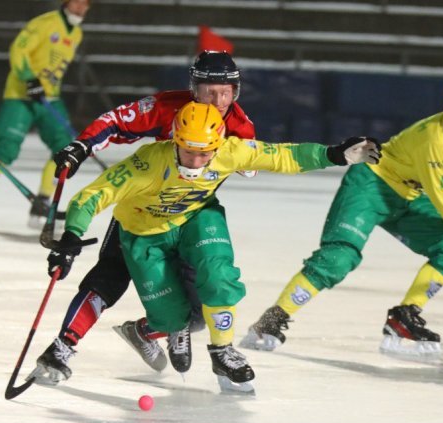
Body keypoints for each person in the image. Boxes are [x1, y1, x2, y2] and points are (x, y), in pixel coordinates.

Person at [30, 101, 380, 393]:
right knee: (173, 318)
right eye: (188, 151)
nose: (197, 162)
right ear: (174, 140)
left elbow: (282, 156)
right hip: (144, 234)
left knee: (219, 274)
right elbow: (92, 197)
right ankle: (149, 330)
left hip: (195, 220)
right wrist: (73, 235)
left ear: (219, 145)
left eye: (206, 154)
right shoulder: (147, 163)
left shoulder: (229, 151)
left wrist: (335, 155)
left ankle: (223, 351)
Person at [240, 73, 443, 357]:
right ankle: (273, 319)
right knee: (339, 258)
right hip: (371, 185)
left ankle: (404, 317)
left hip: (409, 195)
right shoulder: (433, 140)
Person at [31, 51, 255, 380]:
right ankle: (61, 347)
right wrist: (82, 146)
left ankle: (148, 331)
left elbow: (254, 163)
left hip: (188, 216)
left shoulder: (240, 126)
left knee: (203, 303)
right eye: (209, 91)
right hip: (141, 212)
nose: (218, 100)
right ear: (194, 89)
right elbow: (117, 120)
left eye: (226, 92)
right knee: (110, 275)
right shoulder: (167, 107)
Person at [0, 0, 90, 229]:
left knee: (67, 149)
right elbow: (18, 50)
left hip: (49, 99)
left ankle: (42, 203)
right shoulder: (44, 24)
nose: (81, 8)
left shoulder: (76, 33)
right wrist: (30, 78)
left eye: (86, 4)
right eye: (77, 2)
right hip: (20, 96)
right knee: (6, 147)